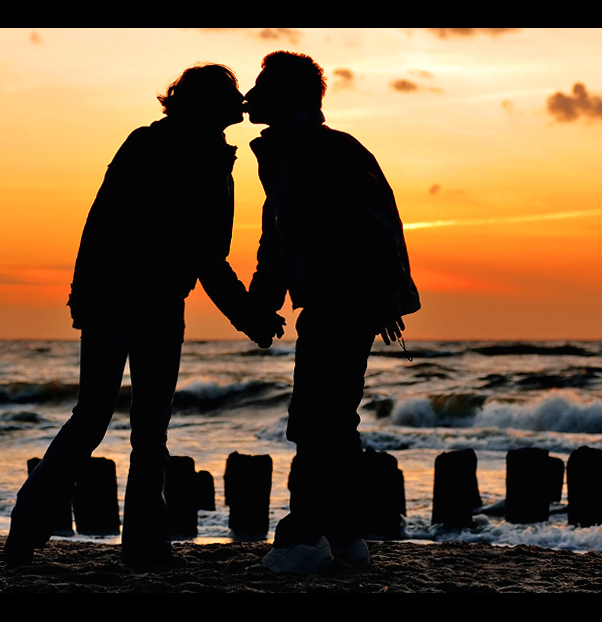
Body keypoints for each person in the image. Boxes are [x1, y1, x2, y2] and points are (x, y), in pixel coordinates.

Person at [4, 63, 284, 569]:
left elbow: (104, 222)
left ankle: (36, 531)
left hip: (129, 298)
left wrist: (81, 294)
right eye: (232, 95)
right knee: (128, 424)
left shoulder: (171, 146)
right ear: (206, 104)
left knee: (112, 420)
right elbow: (202, 252)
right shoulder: (191, 155)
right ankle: (129, 543)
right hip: (133, 299)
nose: (243, 101)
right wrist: (248, 315)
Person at [243, 51, 421, 573]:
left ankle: (303, 538)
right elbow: (277, 236)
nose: (251, 97)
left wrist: (382, 298)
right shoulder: (288, 153)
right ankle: (345, 538)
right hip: (332, 300)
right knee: (331, 422)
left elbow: (377, 226)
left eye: (262, 87)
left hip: (343, 301)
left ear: (291, 98)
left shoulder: (327, 150)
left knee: (318, 421)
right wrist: (263, 300)